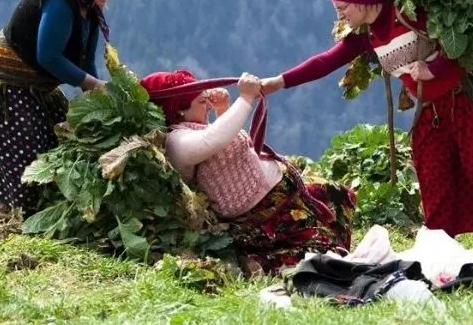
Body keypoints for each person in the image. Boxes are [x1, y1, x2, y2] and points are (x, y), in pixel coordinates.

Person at [260, 0, 473, 256]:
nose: (340, 16)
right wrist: (278, 82)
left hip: (467, 101)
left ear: (362, 2)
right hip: (430, 111)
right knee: (433, 175)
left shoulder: (410, 12)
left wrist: (433, 69)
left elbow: (463, 38)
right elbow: (326, 61)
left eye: (343, 8)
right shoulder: (367, 35)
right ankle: (442, 253)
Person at [0, 0, 130, 215]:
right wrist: (94, 86)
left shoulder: (89, 9)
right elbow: (49, 56)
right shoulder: (59, 0)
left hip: (37, 85)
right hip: (4, 84)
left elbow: (85, 64)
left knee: (61, 140)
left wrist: (101, 103)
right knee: (29, 153)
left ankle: (38, 211)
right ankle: (18, 217)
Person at [139, 70, 356, 274]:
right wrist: (245, 99)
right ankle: (258, 264)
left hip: (284, 196)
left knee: (339, 196)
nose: (207, 106)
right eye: (201, 101)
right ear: (179, 109)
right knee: (324, 253)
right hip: (264, 215)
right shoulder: (176, 141)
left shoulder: (193, 129)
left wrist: (223, 109)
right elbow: (213, 141)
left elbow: (227, 147)